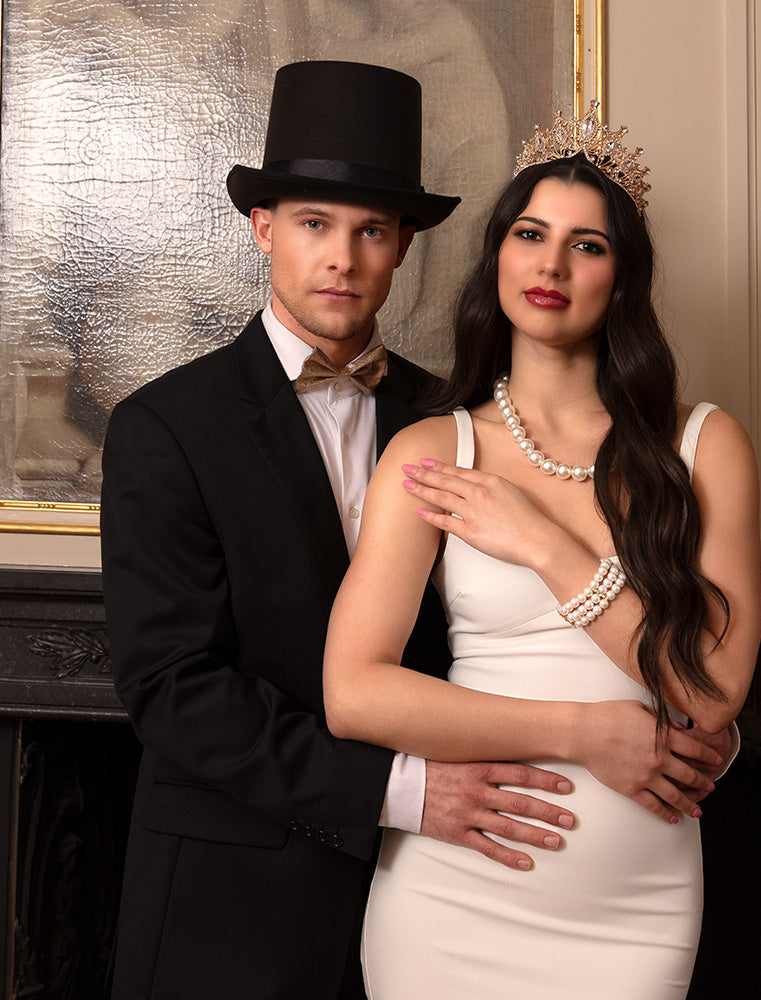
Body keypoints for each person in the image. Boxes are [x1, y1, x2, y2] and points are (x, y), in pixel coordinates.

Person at [99, 61, 599, 1000]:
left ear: (404, 244)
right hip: (229, 899)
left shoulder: (455, 420)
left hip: (437, 892)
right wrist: (401, 791)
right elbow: (171, 688)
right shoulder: (165, 427)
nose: (343, 258)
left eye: (371, 230)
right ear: (263, 227)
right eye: (314, 224)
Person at [323, 104, 761, 998]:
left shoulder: (704, 446)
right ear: (498, 257)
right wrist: (582, 733)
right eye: (530, 234)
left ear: (623, 275)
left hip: (637, 910)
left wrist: (544, 545)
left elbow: (711, 694)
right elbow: (353, 692)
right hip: (451, 902)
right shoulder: (435, 451)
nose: (552, 264)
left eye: (586, 245)